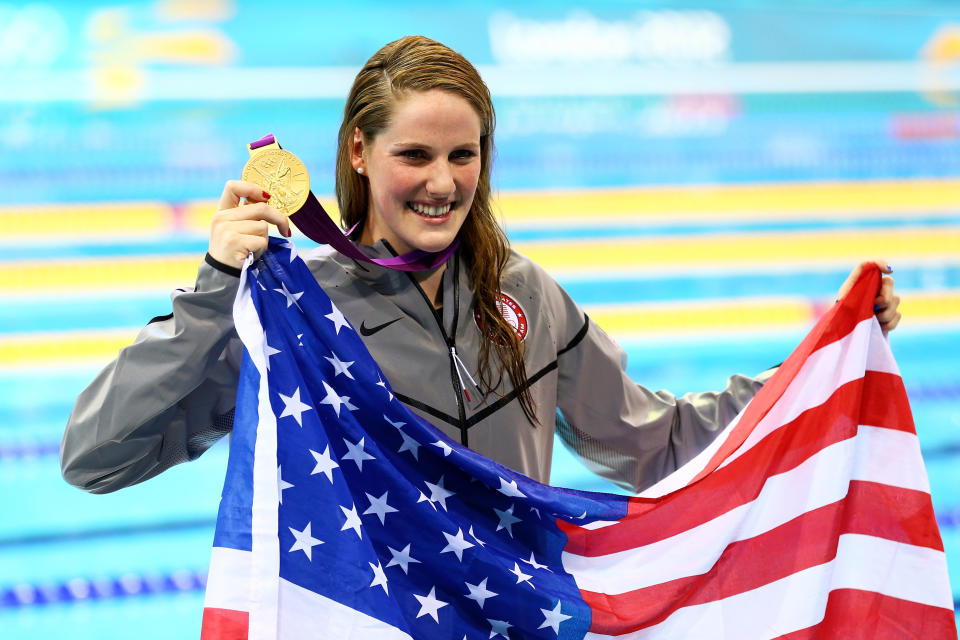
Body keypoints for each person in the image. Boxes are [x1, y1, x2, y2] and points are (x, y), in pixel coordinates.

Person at [60, 36, 901, 496]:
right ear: (358, 149)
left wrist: (817, 362)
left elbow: (659, 442)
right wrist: (213, 293)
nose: (442, 182)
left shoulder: (524, 294)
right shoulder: (293, 312)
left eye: (464, 154)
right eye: (415, 154)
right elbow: (96, 458)